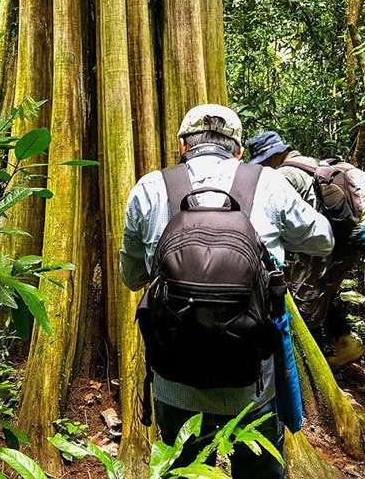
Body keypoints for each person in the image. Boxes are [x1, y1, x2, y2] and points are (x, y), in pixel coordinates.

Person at [119, 105, 334, 478]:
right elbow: (324, 240)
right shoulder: (267, 183)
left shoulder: (150, 188)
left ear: (183, 145)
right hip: (252, 384)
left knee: (181, 470)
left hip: (174, 382)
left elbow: (132, 277)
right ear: (238, 150)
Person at [247, 131, 365, 366]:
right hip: (346, 243)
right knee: (324, 293)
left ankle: (310, 367)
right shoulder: (313, 165)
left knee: (304, 307)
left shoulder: (285, 174)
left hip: (321, 248)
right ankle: (345, 340)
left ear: (273, 156)